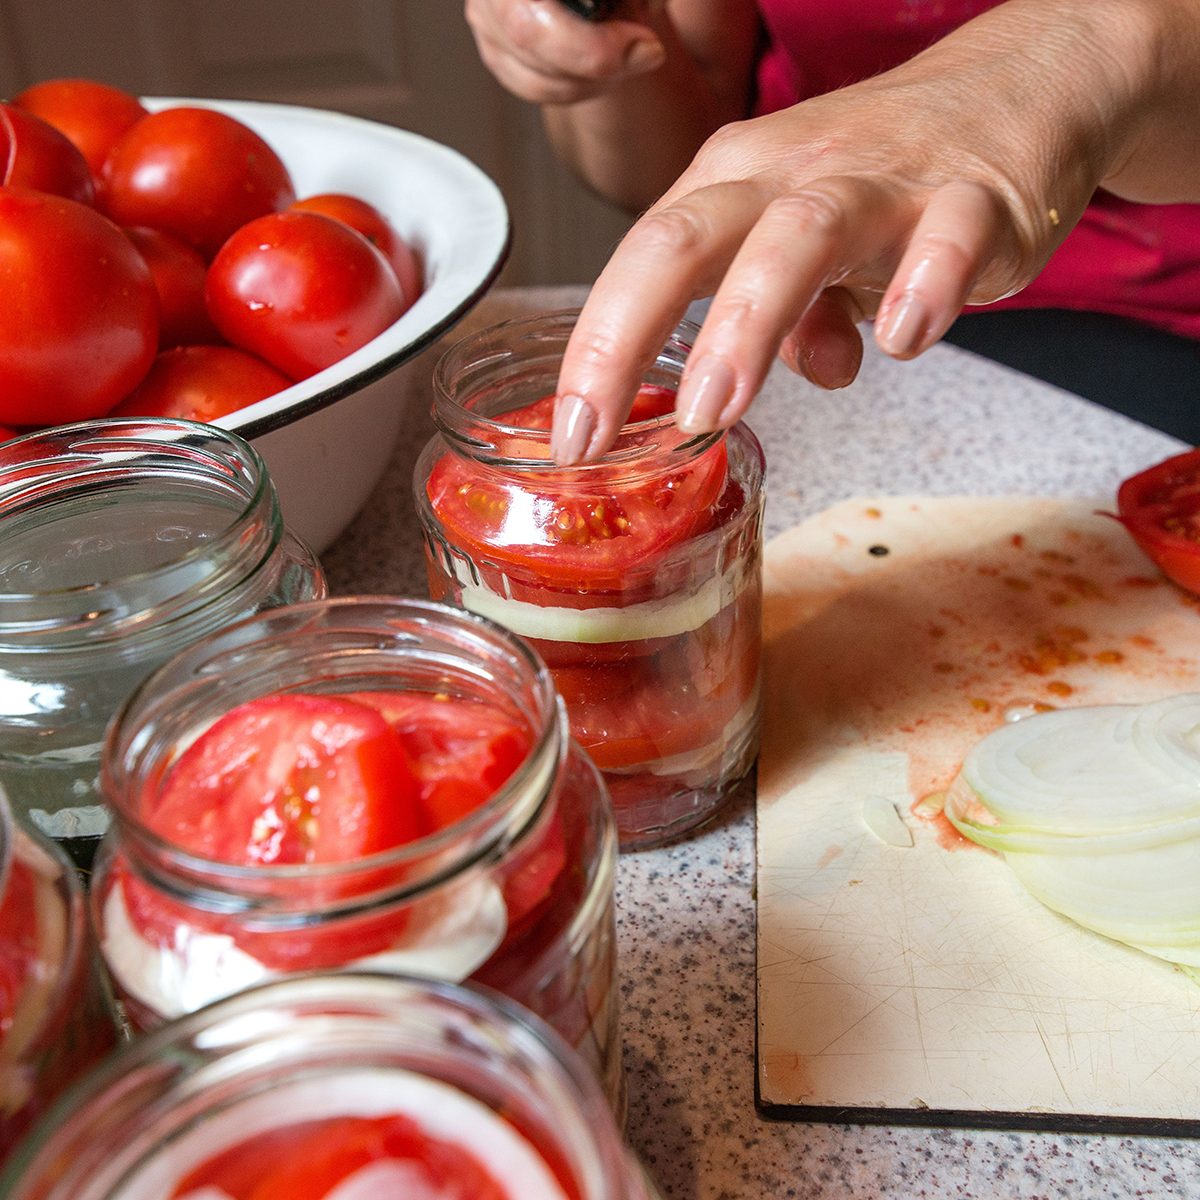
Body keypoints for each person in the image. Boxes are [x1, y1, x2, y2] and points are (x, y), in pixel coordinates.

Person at [464, 0, 1200, 460]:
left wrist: (1106, 44)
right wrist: (604, 31)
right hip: (829, 291)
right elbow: (678, 147)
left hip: (1166, 320)